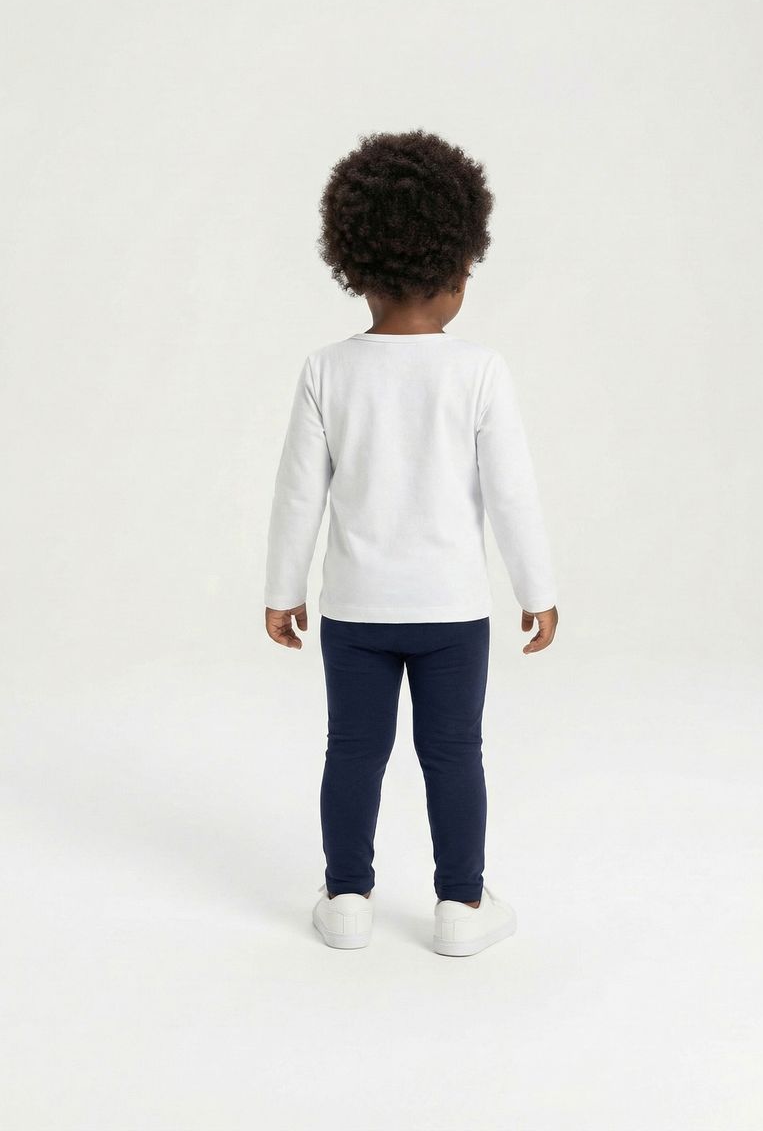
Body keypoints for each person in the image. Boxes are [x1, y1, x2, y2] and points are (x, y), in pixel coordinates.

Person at [263, 129, 559, 956]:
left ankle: (346, 900)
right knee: (454, 753)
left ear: (354, 267)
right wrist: (537, 591)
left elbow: (298, 493)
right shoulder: (479, 370)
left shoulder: (327, 370)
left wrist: (283, 590)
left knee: (353, 752)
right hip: (452, 612)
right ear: (459, 269)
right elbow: (512, 493)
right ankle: (460, 906)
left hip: (356, 611)